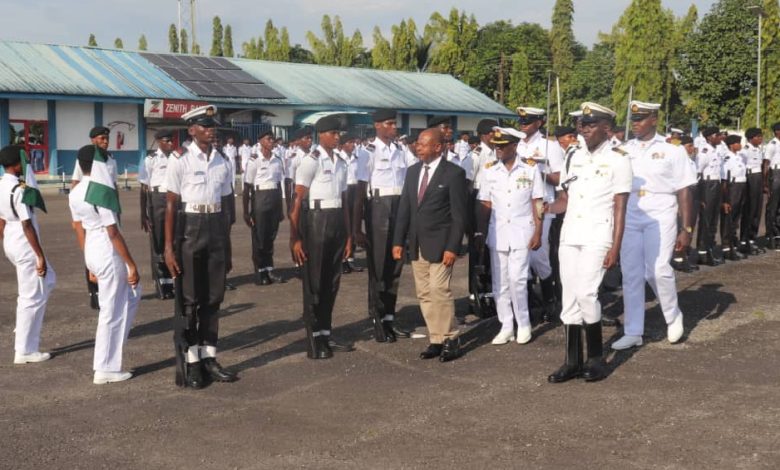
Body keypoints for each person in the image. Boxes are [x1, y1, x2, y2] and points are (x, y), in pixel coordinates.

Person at [546, 102, 631, 383]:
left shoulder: (619, 158)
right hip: (570, 234)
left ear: (607, 128)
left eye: (590, 124)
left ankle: (596, 359)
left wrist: (615, 247)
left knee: (586, 293)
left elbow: (620, 206)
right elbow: (566, 198)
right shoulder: (573, 155)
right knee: (568, 298)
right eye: (581, 124)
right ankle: (572, 361)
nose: (583, 129)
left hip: (598, 235)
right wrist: (545, 208)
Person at [164, 105, 238, 389]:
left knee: (213, 298)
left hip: (216, 227)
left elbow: (228, 204)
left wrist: (227, 245)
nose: (212, 130)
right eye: (205, 126)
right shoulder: (179, 160)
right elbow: (171, 204)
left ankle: (210, 358)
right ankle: (192, 360)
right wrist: (169, 248)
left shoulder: (222, 160)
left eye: (213, 126)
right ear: (191, 130)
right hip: (190, 229)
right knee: (191, 299)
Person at [611, 101, 695, 351]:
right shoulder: (622, 150)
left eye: (641, 118)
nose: (635, 123)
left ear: (655, 120)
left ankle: (673, 316)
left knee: (657, 269)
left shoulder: (672, 150)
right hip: (631, 212)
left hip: (661, 210)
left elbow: (685, 190)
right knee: (632, 272)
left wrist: (686, 228)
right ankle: (633, 330)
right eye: (633, 119)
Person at [393, 128, 467, 362]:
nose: (418, 147)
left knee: (439, 290)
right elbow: (405, 207)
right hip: (416, 244)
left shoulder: (453, 174)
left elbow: (458, 215)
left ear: (438, 147)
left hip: (441, 244)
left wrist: (453, 247)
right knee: (424, 293)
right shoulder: (413, 172)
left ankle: (451, 338)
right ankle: (435, 338)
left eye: (424, 144)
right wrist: (398, 241)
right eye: (417, 143)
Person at [69, 144, 140, 384]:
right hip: (108, 250)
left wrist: (88, 263)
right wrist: (131, 264)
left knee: (124, 301)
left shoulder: (75, 191)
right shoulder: (102, 190)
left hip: (91, 247)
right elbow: (113, 232)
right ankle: (106, 367)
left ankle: (107, 362)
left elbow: (78, 228)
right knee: (113, 310)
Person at [290, 115, 353, 359]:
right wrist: (294, 237)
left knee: (331, 282)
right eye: (334, 133)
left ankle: (326, 333)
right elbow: (297, 201)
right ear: (322, 135)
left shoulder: (341, 161)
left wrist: (348, 235)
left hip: (336, 221)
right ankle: (314, 339)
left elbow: (345, 201)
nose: (338, 137)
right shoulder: (310, 161)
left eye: (339, 134)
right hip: (316, 221)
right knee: (314, 283)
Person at [476, 127, 544, 345]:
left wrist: (538, 231)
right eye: (496, 146)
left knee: (518, 279)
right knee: (500, 283)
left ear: (514, 146)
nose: (498, 150)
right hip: (498, 233)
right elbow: (485, 203)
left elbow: (538, 202)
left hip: (522, 232)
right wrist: (480, 232)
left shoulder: (530, 169)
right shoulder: (489, 170)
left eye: (502, 146)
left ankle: (524, 324)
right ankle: (506, 325)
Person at [353, 109, 410, 343]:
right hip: (378, 207)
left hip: (398, 205)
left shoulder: (399, 150)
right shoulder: (368, 152)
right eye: (388, 123)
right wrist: (357, 228)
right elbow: (358, 192)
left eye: (394, 123)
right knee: (378, 266)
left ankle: (389, 317)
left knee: (395, 266)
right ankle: (377, 318)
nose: (393, 127)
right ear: (377, 125)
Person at [0, 145, 55, 364]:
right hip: (25, 244)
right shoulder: (19, 190)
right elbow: (27, 226)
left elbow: (1, 219)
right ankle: (24, 349)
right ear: (16, 165)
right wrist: (39, 255)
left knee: (48, 281)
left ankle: (25, 332)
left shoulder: (2, 185)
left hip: (12, 242)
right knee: (29, 297)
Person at [516, 106, 565, 320]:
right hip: (519, 206)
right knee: (520, 255)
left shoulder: (550, 146)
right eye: (521, 120)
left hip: (542, 205)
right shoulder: (515, 144)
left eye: (528, 121)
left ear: (539, 122)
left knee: (538, 254)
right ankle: (527, 302)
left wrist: (538, 170)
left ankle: (550, 298)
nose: (523, 124)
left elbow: (560, 178)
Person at [73, 126, 116, 310]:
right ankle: (94, 292)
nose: (105, 141)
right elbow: (76, 183)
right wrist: (77, 212)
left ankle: (109, 288)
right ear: (92, 140)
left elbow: (113, 186)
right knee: (91, 250)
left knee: (111, 249)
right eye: (101, 138)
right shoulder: (85, 158)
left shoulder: (111, 160)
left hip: (108, 208)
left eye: (106, 138)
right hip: (89, 211)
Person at [243, 130, 285, 285]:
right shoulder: (254, 160)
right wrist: (247, 212)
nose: (271, 141)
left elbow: (279, 184)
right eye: (268, 139)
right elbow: (247, 187)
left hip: (274, 197)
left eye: (272, 139)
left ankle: (269, 269)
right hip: (259, 198)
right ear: (260, 141)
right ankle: (260, 271)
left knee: (271, 236)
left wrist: (280, 208)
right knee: (259, 236)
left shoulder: (277, 160)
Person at [139, 129, 176, 300]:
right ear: (159, 142)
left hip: (173, 198)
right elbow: (144, 187)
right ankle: (161, 282)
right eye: (167, 141)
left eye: (171, 141)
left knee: (172, 239)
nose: (170, 144)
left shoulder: (176, 158)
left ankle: (170, 280)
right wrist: (143, 214)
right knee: (158, 240)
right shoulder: (150, 159)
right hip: (157, 199)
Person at [468, 119, 499, 317]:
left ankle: (489, 293)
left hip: (493, 200)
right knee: (478, 250)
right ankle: (475, 296)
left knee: (490, 251)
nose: (495, 137)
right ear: (483, 135)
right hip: (478, 201)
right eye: (492, 134)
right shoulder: (476, 155)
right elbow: (468, 185)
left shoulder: (498, 152)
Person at [671, 136, 701, 273]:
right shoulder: (678, 162)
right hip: (682, 197)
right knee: (680, 228)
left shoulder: (692, 162)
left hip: (693, 196)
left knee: (690, 226)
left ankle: (685, 255)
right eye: (689, 146)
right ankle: (678, 259)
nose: (692, 148)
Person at [696, 126, 725, 266]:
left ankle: (710, 249)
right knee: (706, 220)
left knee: (713, 219)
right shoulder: (705, 151)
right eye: (717, 135)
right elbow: (698, 173)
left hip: (716, 184)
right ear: (709, 137)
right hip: (707, 186)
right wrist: (700, 195)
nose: (720, 137)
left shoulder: (717, 150)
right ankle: (702, 253)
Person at [720, 134, 748, 261]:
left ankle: (733, 245)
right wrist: (725, 199)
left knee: (736, 218)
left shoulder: (739, 157)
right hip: (733, 188)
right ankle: (727, 247)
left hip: (741, 186)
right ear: (732, 145)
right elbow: (724, 181)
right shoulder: (727, 158)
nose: (740, 145)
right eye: (738, 143)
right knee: (729, 219)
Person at [340, 132, 364, 274]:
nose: (352, 145)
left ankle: (350, 259)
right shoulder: (338, 158)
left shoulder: (357, 158)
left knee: (355, 225)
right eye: (349, 142)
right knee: (344, 226)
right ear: (342, 145)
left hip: (355, 191)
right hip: (344, 192)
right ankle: (342, 259)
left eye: (353, 142)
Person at [739, 128, 765, 255]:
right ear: (751, 138)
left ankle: (752, 238)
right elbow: (742, 168)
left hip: (758, 178)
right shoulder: (745, 151)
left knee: (757, 210)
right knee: (748, 210)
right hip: (749, 179)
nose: (761, 139)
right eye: (758, 137)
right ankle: (744, 240)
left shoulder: (759, 150)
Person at [764, 123, 780, 249]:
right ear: (777, 131)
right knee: (772, 207)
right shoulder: (772, 145)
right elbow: (766, 164)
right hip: (775, 175)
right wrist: (765, 184)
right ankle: (770, 235)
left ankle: (778, 234)